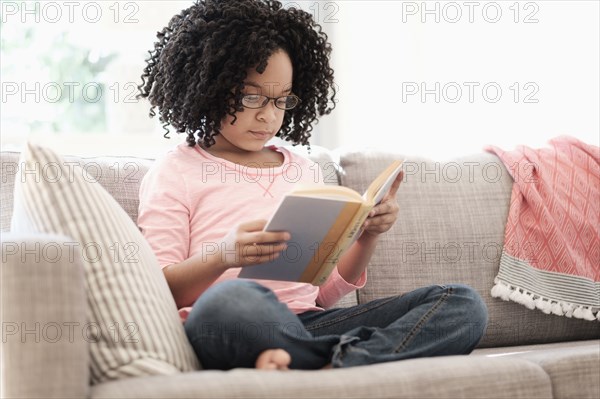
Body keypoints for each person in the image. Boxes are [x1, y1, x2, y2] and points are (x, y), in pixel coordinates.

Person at [137, 0, 488, 371]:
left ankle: (328, 362)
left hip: (313, 324)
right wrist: (223, 255)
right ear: (209, 85)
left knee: (462, 304)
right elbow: (160, 290)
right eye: (251, 96)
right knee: (230, 299)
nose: (268, 115)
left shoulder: (302, 169)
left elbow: (324, 294)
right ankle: (340, 359)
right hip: (235, 320)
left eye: (281, 100)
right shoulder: (175, 171)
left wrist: (366, 235)